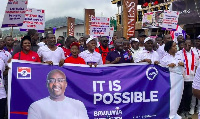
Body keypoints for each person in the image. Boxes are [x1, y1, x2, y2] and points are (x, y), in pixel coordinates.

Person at [177, 39, 198, 118]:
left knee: (189, 95)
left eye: (189, 45)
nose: (187, 46)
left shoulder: (195, 53)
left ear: (191, 44)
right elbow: (178, 62)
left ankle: (186, 110)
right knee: (182, 95)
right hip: (182, 78)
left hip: (191, 78)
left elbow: (196, 65)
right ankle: (181, 110)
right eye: (185, 44)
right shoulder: (180, 53)